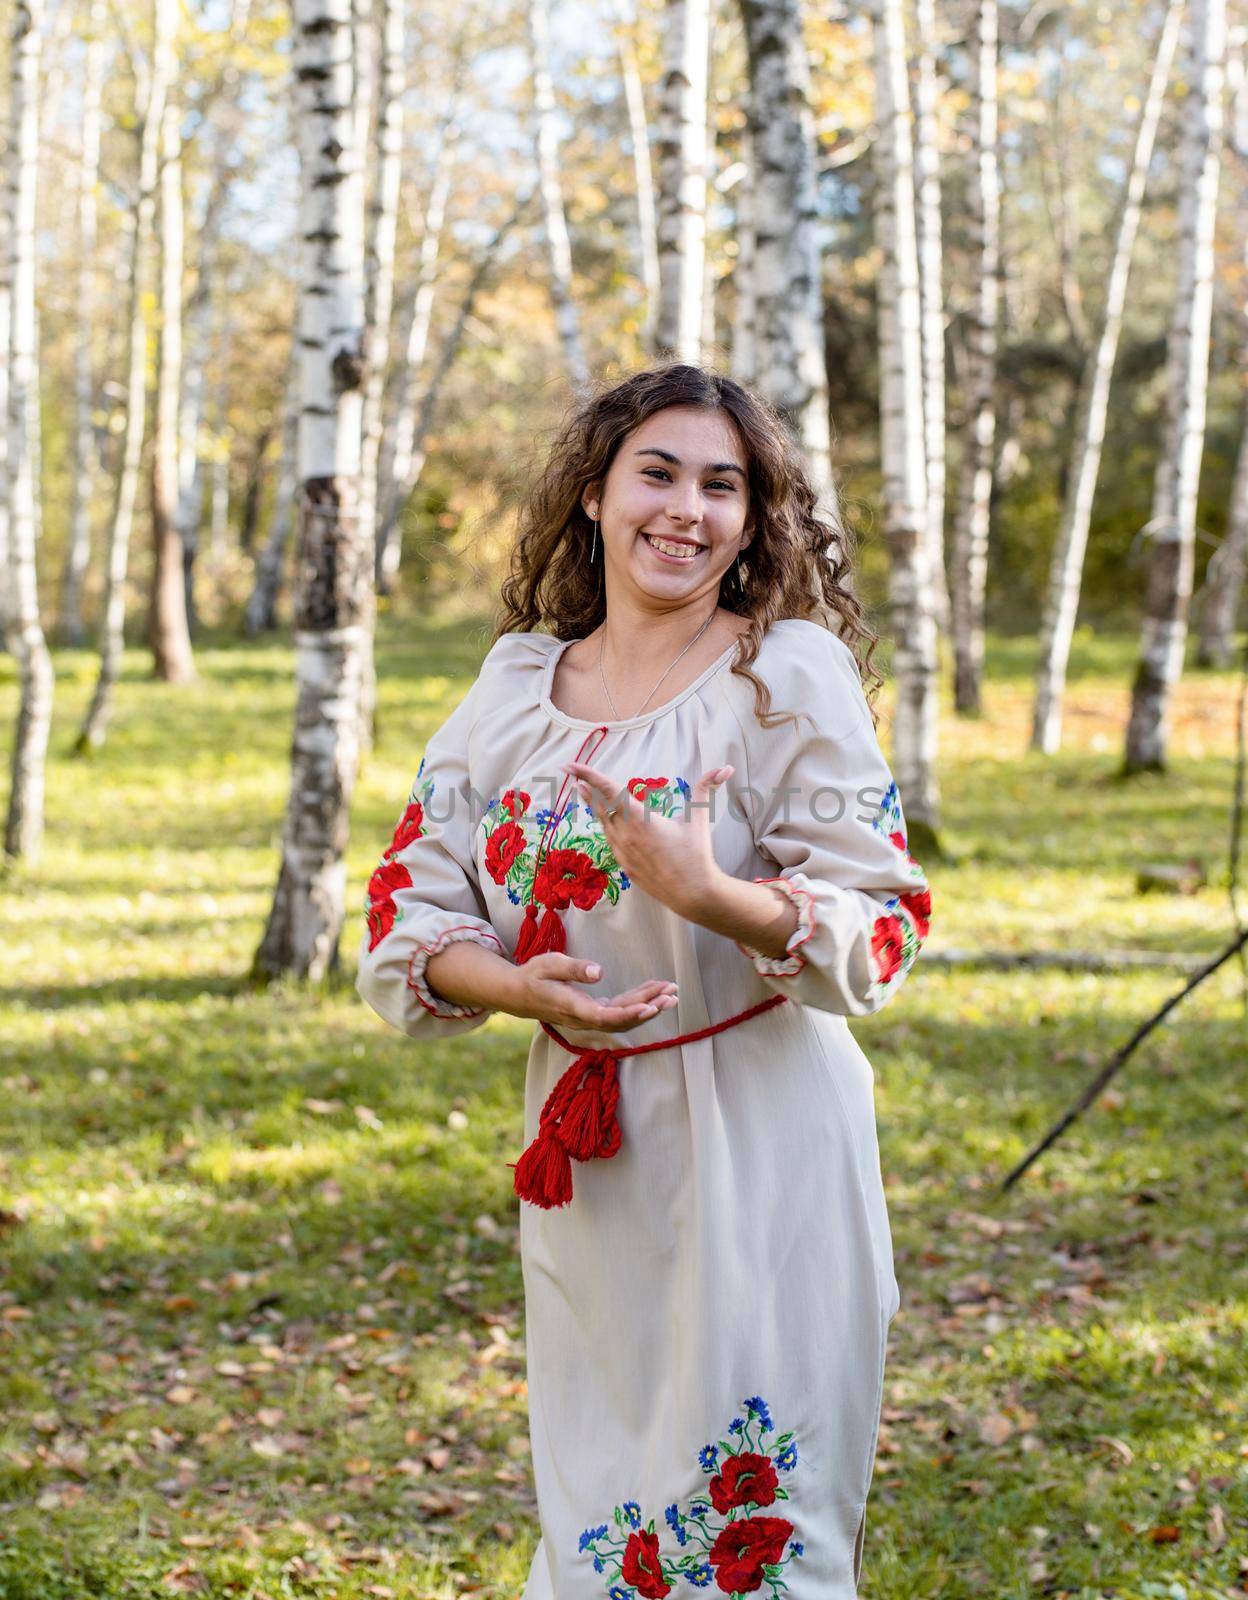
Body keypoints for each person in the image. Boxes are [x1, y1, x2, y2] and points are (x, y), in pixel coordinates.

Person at [356, 362, 932, 1598]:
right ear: (592, 498)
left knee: (748, 1527)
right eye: (655, 474)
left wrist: (709, 894)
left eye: (722, 486)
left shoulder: (785, 676)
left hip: (763, 1142)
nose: (686, 509)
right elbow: (409, 907)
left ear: (753, 519)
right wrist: (524, 992)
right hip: (591, 1162)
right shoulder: (514, 689)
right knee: (599, 1512)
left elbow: (883, 926)